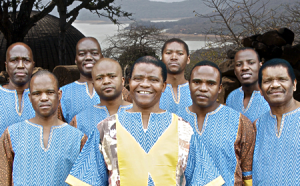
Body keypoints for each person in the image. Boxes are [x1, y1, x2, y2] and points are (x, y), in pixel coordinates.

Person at [65, 56, 224, 186]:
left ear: (163, 86)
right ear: (129, 82)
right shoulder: (105, 129)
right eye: (138, 78)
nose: (145, 84)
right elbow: (85, 181)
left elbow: (205, 180)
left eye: (153, 80)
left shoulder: (184, 129)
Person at [0, 71, 87, 185]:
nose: (44, 98)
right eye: (37, 93)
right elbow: (3, 178)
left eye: (50, 92)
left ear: (59, 94)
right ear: (30, 97)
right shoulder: (12, 134)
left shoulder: (77, 138)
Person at [178, 61, 255, 186]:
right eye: (197, 82)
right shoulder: (175, 121)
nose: (203, 88)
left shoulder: (240, 122)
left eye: (211, 83)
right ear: (189, 84)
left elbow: (248, 173)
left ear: (219, 88)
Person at [60, 37, 132, 123]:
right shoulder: (62, 94)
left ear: (102, 57)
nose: (88, 58)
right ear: (75, 59)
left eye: (94, 53)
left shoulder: (120, 91)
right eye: (82, 54)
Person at [252, 59, 300, 185]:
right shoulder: (257, 126)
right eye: (267, 81)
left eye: (282, 79)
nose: (274, 85)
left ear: (294, 84)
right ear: (260, 90)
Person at [69, 58, 132, 136]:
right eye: (100, 78)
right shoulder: (79, 120)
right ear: (93, 85)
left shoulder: (142, 114)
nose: (106, 81)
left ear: (122, 81)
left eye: (112, 76)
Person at [0, 42, 35, 136]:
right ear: (6, 66)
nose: (20, 65)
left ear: (33, 65)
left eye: (26, 60)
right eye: (14, 60)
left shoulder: (46, 98)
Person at [226, 48, 269, 122]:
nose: (244, 68)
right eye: (239, 64)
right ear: (235, 71)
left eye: (251, 63)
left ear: (260, 66)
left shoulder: (271, 97)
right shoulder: (231, 98)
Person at [159, 38, 192, 116]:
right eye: (168, 53)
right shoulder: (153, 89)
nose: (174, 57)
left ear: (188, 59)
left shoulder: (196, 89)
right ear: (162, 57)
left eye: (180, 53)